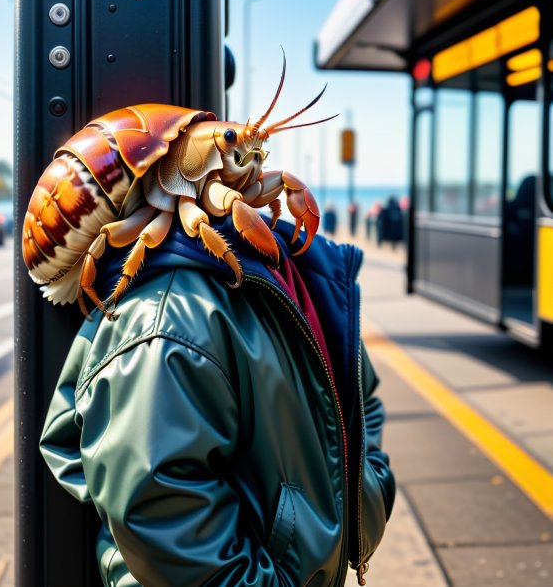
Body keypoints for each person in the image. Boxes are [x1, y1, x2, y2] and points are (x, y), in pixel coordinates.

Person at [39, 209, 395, 586]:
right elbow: (162, 512)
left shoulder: (292, 259)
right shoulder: (166, 326)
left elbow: (360, 396)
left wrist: (367, 494)